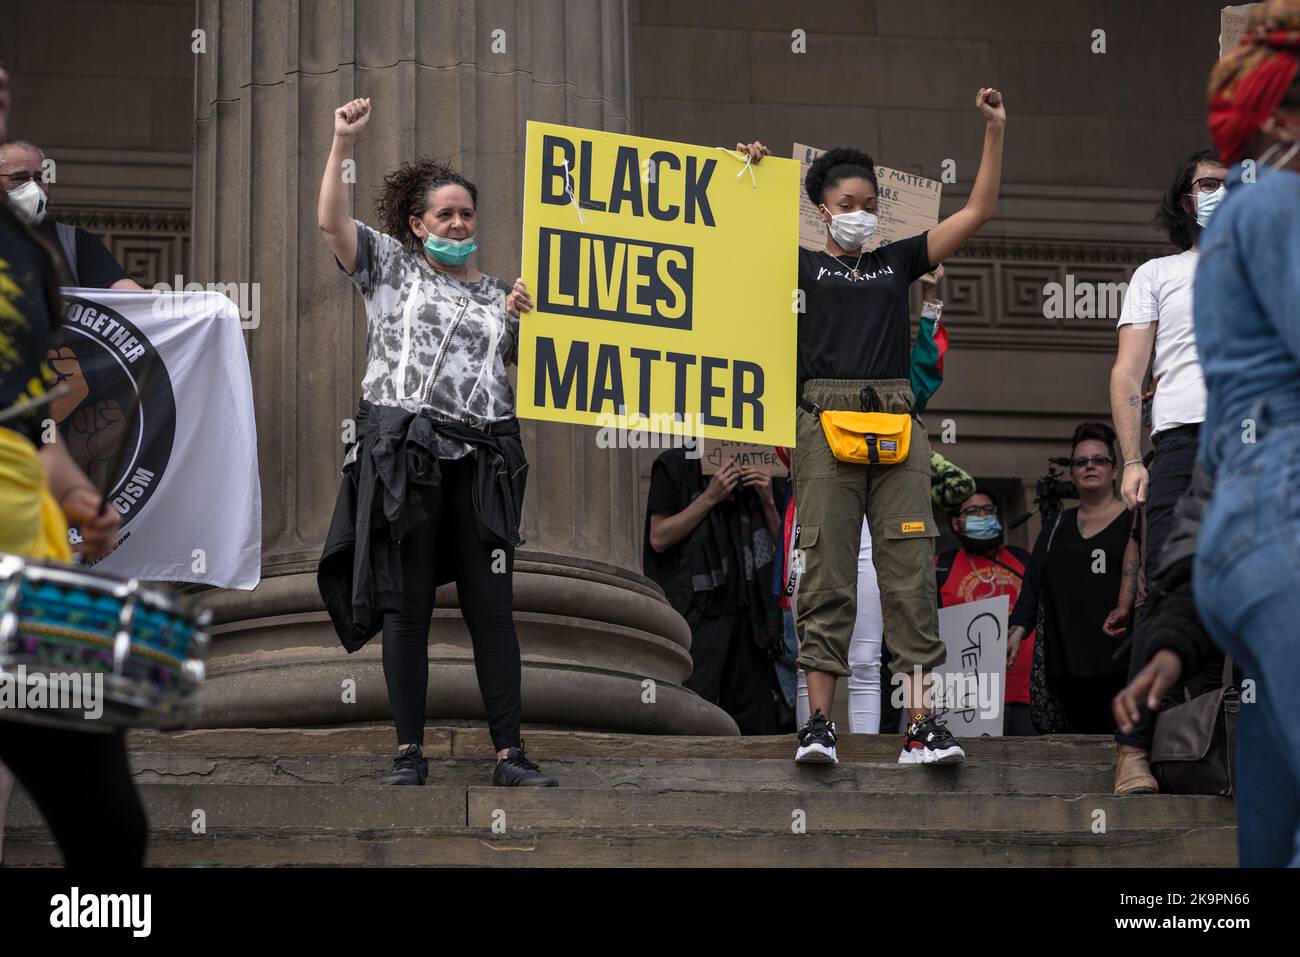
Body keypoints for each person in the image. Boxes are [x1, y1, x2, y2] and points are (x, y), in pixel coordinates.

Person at [738, 87, 1007, 764]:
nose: (860, 213)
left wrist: (994, 132)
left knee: (911, 576)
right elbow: (729, 246)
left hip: (895, 421)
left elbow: (977, 211)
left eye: (869, 204)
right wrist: (747, 172)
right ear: (821, 207)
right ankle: (819, 726)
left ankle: (922, 726)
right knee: (825, 573)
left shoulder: (898, 259)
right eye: (847, 204)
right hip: (821, 416)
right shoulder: (797, 263)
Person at [315, 97, 556, 788]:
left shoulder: (504, 296)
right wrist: (340, 141)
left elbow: (516, 374)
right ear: (417, 226)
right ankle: (408, 752)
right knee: (407, 606)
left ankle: (510, 753)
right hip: (408, 461)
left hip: (481, 463)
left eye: (467, 214)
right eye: (444, 214)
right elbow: (331, 219)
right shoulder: (391, 267)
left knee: (492, 609)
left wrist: (519, 322)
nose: (458, 223)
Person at [0, 61, 136, 867]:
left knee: (110, 826)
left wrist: (83, 494)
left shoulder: (29, 256)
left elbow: (30, 415)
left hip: (33, 543)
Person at [1189, 0, 1300, 865]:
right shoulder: (1286, 203)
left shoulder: (1235, 213)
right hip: (1290, 518)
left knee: (1269, 834)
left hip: (1244, 537)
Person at [784, 269, 971, 751]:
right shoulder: (809, 375)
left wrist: (929, 298)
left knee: (883, 632)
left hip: (883, 525)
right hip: (830, 512)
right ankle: (818, 727)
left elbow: (924, 377)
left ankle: (917, 729)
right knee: (824, 602)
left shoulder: (896, 392)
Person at [1108, 146, 1228, 793]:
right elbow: (1128, 372)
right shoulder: (1156, 273)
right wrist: (1131, 458)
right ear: (1186, 198)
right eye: (1208, 183)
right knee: (1166, 589)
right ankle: (1132, 751)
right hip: (1181, 443)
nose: (1220, 192)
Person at [642, 450, 786, 734]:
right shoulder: (674, 464)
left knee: (757, 723)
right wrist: (710, 497)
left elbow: (786, 549)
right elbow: (658, 537)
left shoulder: (762, 466)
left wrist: (768, 501)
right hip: (699, 615)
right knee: (696, 714)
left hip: (752, 618)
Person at [1008, 423, 1137, 734]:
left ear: (1115, 470)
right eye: (1081, 462)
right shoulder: (1054, 525)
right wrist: (1017, 631)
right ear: (1073, 473)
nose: (1089, 466)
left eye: (1099, 460)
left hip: (1120, 663)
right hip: (1064, 663)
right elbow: (1033, 584)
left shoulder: (1135, 519)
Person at [935, 486, 1037, 737]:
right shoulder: (940, 566)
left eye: (988, 510)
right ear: (956, 524)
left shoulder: (1025, 559)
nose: (982, 516)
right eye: (972, 511)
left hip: (1025, 691)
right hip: (967, 697)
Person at [0, 139, 145, 290]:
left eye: (39, 178)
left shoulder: (75, 242)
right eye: (18, 178)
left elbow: (128, 294)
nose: (33, 188)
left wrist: (159, 304)